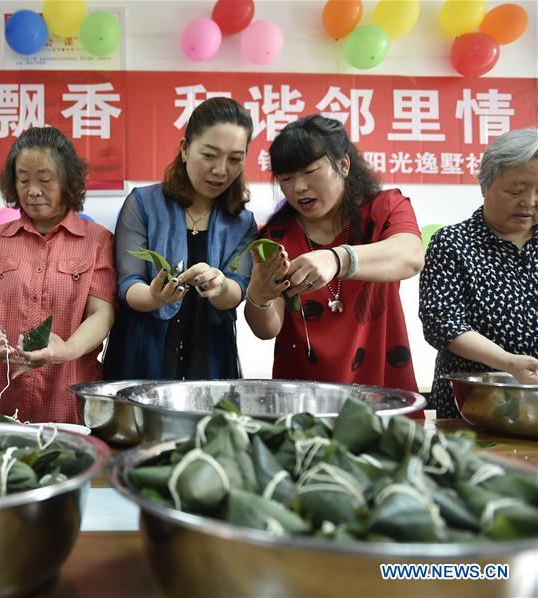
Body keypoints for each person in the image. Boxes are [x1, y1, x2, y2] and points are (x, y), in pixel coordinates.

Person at [244, 114, 423, 392]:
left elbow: (411, 256)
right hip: (304, 400)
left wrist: (337, 258)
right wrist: (259, 298)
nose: (298, 187)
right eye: (287, 178)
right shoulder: (276, 237)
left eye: (310, 172)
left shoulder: (386, 208)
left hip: (382, 393)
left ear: (343, 164)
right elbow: (268, 329)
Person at [0, 126, 116, 423]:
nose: (32, 191)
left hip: (66, 398)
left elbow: (102, 314)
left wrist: (65, 350)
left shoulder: (98, 242)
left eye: (45, 180)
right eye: (23, 180)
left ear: (68, 181)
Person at [103, 97, 257, 380]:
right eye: (209, 155)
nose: (221, 170)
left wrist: (221, 286)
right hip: (143, 348)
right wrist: (153, 296)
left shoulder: (242, 221)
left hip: (209, 352)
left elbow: (238, 290)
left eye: (235, 159)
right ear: (185, 149)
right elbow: (128, 283)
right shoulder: (143, 204)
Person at [419, 128, 538, 418]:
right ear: (485, 186)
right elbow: (441, 322)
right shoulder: (453, 243)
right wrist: (507, 362)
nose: (530, 201)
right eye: (516, 190)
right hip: (473, 405)